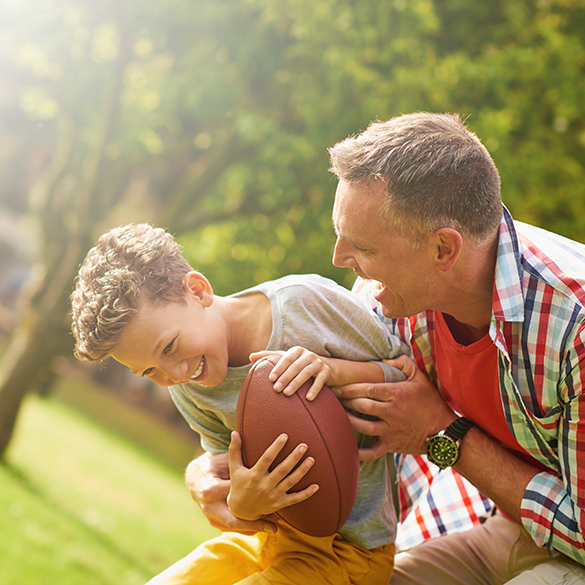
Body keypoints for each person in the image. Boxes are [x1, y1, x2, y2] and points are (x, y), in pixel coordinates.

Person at [69, 223, 410, 585]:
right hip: (266, 540)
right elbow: (230, 478)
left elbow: (405, 378)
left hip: (351, 552)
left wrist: (333, 370)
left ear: (198, 291)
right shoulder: (188, 388)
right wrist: (241, 505)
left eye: (169, 347)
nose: (176, 373)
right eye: (150, 371)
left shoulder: (305, 306)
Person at [326, 112, 585, 584]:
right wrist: (222, 471)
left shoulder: (575, 327)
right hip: (499, 525)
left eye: (361, 246)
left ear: (443, 249)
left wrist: (443, 435)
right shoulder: (395, 300)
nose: (340, 259)